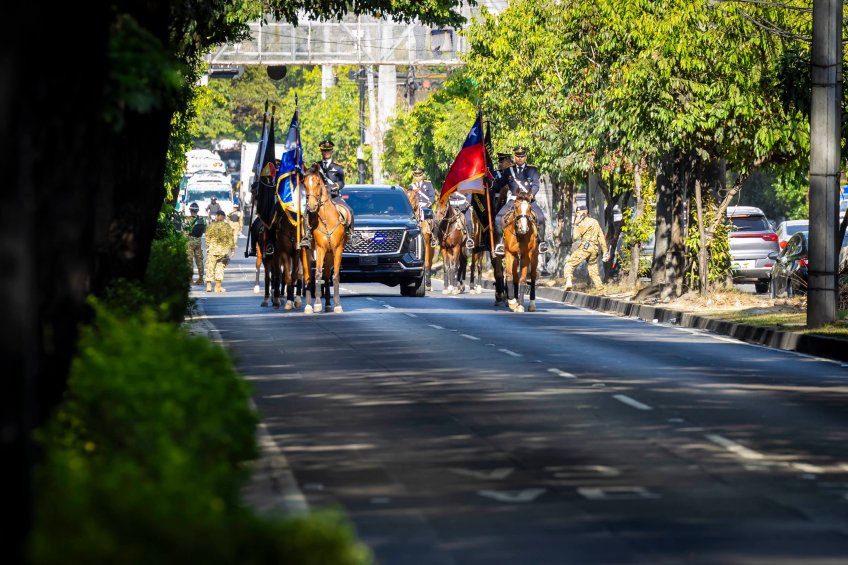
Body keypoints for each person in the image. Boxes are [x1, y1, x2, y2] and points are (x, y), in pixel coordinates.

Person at [492, 146, 549, 256]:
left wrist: (531, 195)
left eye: (522, 156)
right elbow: (499, 185)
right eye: (517, 156)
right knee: (498, 219)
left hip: (529, 200)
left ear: (525, 157)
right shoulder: (509, 171)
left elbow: (536, 185)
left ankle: (541, 242)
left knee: (541, 218)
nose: (519, 158)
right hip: (514, 200)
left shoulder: (533, 170)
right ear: (514, 157)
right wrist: (490, 183)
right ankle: (500, 243)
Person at [299, 139, 353, 248]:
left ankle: (350, 234)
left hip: (334, 196)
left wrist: (332, 187)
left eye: (328, 151)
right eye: (324, 151)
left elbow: (342, 183)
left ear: (332, 151)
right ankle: (307, 236)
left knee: (349, 211)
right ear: (321, 152)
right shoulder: (316, 166)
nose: (326, 153)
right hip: (319, 197)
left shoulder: (338, 168)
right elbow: (310, 176)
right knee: (306, 212)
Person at [564, 203, 609, 291]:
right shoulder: (595, 222)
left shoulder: (582, 223)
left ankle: (569, 281)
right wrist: (605, 251)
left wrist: (576, 224)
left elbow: (575, 237)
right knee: (593, 271)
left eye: (577, 212)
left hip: (585, 247)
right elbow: (601, 237)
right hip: (594, 249)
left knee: (569, 264)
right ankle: (601, 289)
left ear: (581, 213)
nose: (577, 214)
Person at [205, 209, 236, 293]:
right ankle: (217, 287)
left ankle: (208, 286)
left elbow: (207, 237)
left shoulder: (211, 225)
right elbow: (231, 239)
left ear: (218, 216)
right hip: (223, 251)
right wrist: (232, 249)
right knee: (220, 268)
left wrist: (207, 246)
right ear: (224, 217)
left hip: (212, 249)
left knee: (210, 267)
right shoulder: (227, 226)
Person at [407, 165, 438, 246]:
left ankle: (434, 238)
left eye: (419, 175)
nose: (418, 177)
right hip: (415, 208)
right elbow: (409, 198)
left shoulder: (428, 184)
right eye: (416, 175)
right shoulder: (411, 186)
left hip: (425, 207)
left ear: (422, 175)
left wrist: (428, 204)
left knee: (435, 220)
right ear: (414, 176)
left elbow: (432, 197)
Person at [183, 202, 206, 284]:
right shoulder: (202, 219)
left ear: (190, 210)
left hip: (190, 242)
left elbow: (185, 233)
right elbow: (204, 230)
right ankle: (201, 278)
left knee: (189, 260)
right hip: (198, 241)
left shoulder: (188, 220)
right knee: (199, 260)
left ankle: (190, 279)